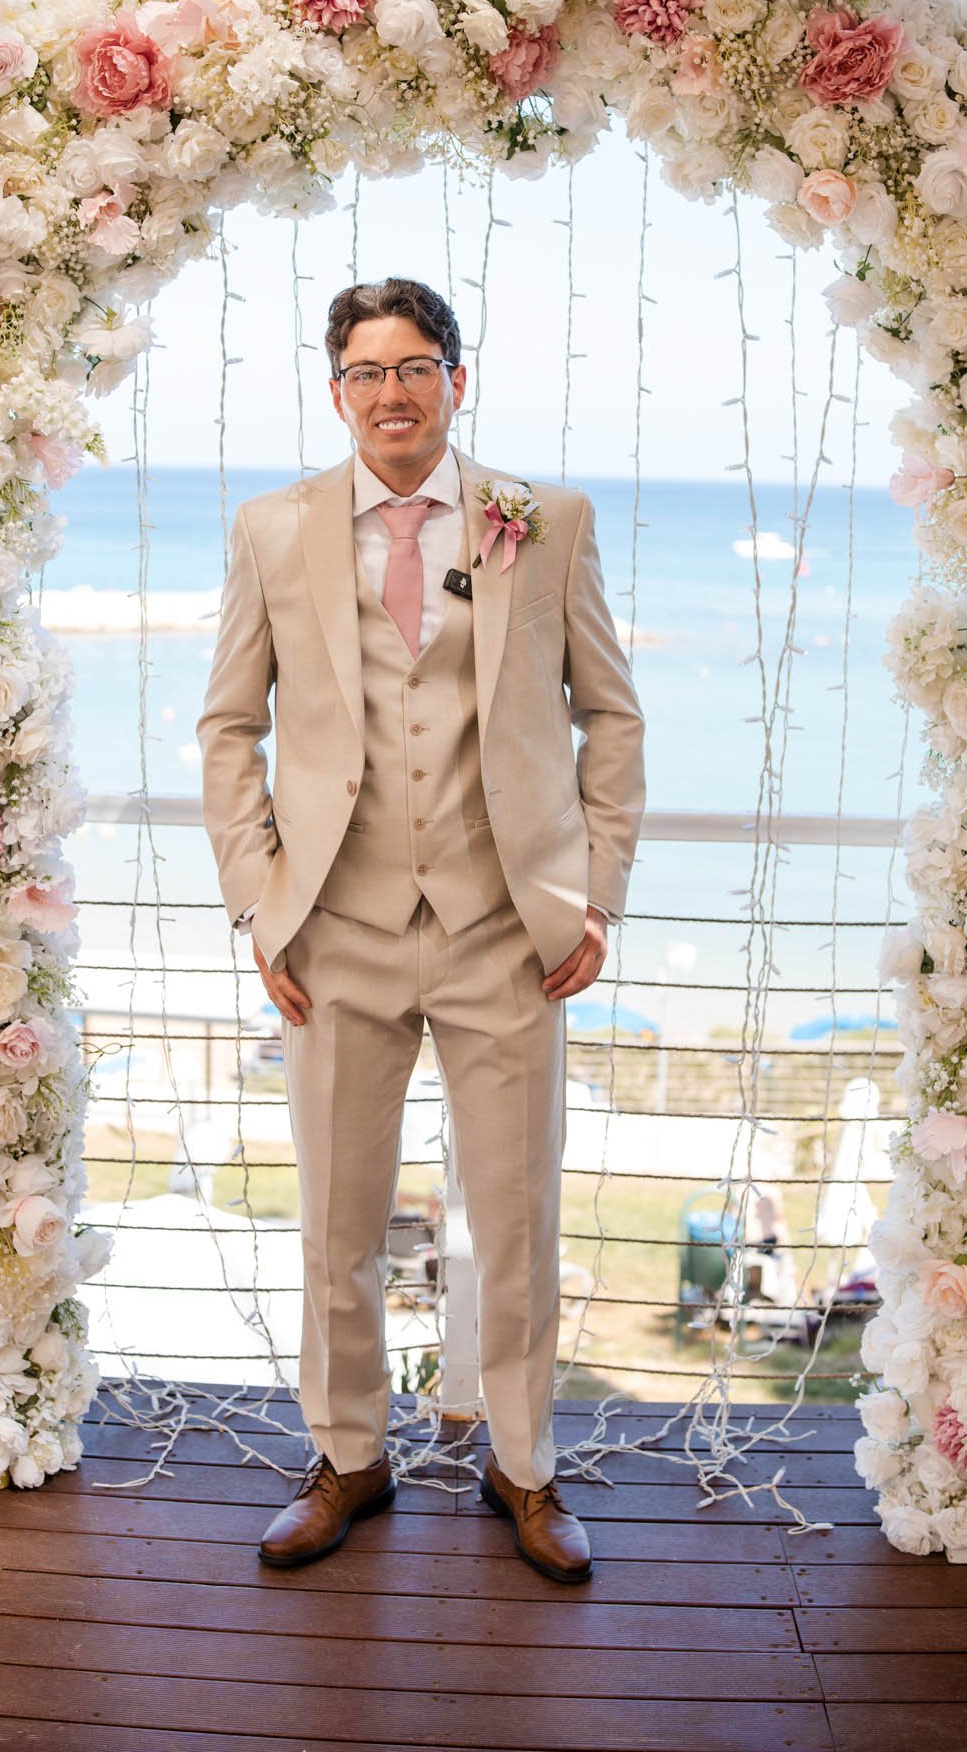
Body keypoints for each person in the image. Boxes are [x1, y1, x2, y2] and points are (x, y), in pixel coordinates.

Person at [197, 276, 645, 1583]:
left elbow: (606, 716)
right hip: (333, 930)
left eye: (415, 366)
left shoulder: (539, 521)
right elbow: (232, 728)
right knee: (336, 1225)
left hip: (507, 926)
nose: (391, 393)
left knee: (512, 1218)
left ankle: (522, 1467)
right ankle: (348, 1458)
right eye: (366, 371)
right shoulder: (272, 532)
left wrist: (595, 890)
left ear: (457, 377)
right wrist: (256, 900)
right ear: (333, 389)